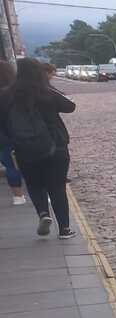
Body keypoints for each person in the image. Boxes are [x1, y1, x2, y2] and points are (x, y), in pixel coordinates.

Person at [0, 58, 76, 238]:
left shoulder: (5, 95)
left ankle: (43, 213)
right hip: (55, 146)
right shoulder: (46, 91)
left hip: (24, 148)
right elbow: (70, 106)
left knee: (34, 184)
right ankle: (64, 229)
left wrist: (10, 141)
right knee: (57, 187)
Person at [0, 61, 26, 205]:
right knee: (31, 164)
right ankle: (42, 194)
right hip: (24, 134)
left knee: (10, 166)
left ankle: (18, 197)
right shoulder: (18, 91)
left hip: (3, 136)